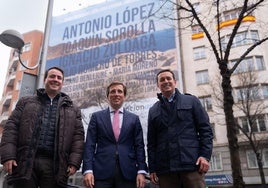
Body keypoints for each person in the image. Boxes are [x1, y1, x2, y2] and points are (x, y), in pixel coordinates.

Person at [0, 66, 85, 188]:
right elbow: (11, 129)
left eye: (59, 78)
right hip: (25, 162)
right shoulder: (26, 102)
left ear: (62, 82)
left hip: (55, 166)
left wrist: (74, 162)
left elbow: (78, 138)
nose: (55, 79)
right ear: (45, 80)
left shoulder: (73, 109)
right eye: (52, 76)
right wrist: (8, 156)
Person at [147, 69, 213, 188]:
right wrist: (152, 168)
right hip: (165, 170)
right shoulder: (153, 110)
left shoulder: (191, 101)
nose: (166, 81)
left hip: (191, 165)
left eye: (168, 78)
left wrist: (205, 156)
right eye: (162, 80)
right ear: (158, 85)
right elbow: (151, 143)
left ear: (175, 82)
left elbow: (205, 130)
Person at [82, 81, 148, 188]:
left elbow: (139, 146)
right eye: (113, 91)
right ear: (108, 96)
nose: (116, 94)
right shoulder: (96, 117)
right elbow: (90, 145)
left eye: (120, 91)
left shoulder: (134, 119)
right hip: (101, 172)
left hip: (128, 172)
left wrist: (141, 170)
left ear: (124, 96)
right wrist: (88, 170)